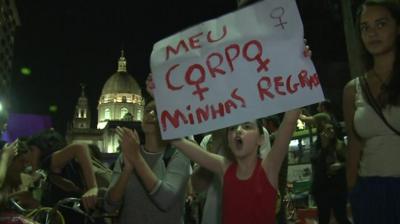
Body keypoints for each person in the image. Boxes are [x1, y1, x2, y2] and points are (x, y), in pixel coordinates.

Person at [171, 109, 299, 224]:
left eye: (247, 126)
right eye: (232, 128)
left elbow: (290, 121)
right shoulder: (224, 167)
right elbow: (179, 142)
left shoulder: (269, 167)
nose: (238, 130)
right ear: (228, 140)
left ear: (261, 139)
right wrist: (162, 98)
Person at [342, 1, 400, 223]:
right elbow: (354, 147)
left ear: (398, 27)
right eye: (365, 27)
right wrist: (351, 194)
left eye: (381, 24)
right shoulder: (353, 89)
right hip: (369, 191)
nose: (372, 33)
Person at [104, 100, 192, 224]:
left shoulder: (178, 155)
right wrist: (127, 169)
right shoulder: (126, 156)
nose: (150, 114)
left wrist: (136, 158)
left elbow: (165, 199)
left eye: (157, 111)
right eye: (147, 111)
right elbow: (110, 206)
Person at [26, 129, 98, 223]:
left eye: (32, 150)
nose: (28, 156)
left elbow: (80, 147)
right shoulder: (50, 168)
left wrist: (93, 187)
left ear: (43, 148)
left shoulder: (50, 161)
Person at [310, 121, 351, 224]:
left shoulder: (340, 144)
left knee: (341, 217)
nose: (332, 131)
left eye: (332, 129)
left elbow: (350, 162)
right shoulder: (317, 146)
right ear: (321, 133)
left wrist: (341, 165)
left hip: (338, 187)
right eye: (328, 129)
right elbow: (316, 164)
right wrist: (324, 147)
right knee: (324, 218)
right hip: (322, 189)